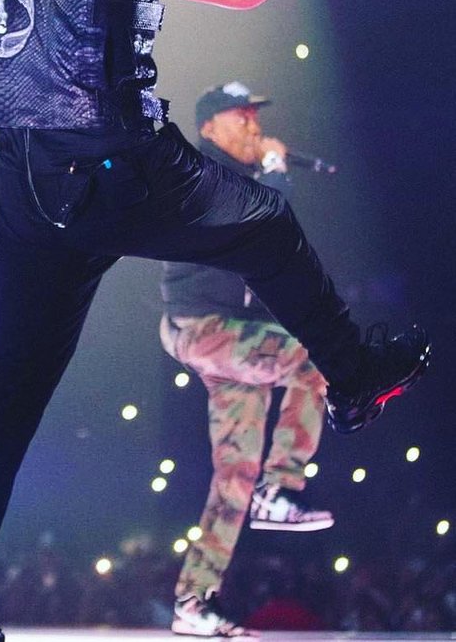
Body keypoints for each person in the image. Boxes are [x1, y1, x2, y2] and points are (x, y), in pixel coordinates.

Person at [0, 0, 429, 642]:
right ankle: (352, 373)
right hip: (116, 165)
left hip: (27, 179)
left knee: (9, 387)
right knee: (266, 224)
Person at [159, 82, 334, 637]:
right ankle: (280, 487)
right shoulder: (198, 172)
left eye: (255, 116)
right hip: (203, 327)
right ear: (209, 127)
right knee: (315, 358)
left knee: (234, 473)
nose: (255, 126)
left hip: (236, 337)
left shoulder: (243, 178)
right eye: (242, 116)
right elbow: (263, 219)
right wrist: (275, 168)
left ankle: (193, 602)